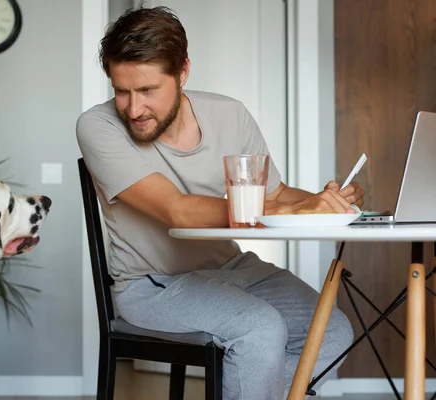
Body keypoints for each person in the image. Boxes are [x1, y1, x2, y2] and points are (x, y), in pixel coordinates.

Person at [76, 5, 363, 400]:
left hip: (233, 267)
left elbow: (276, 195)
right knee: (260, 328)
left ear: (183, 72)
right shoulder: (98, 126)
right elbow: (176, 209)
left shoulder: (231, 114)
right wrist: (287, 210)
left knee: (332, 329)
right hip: (153, 285)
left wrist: (324, 200)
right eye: (121, 91)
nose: (134, 108)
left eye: (147, 90)